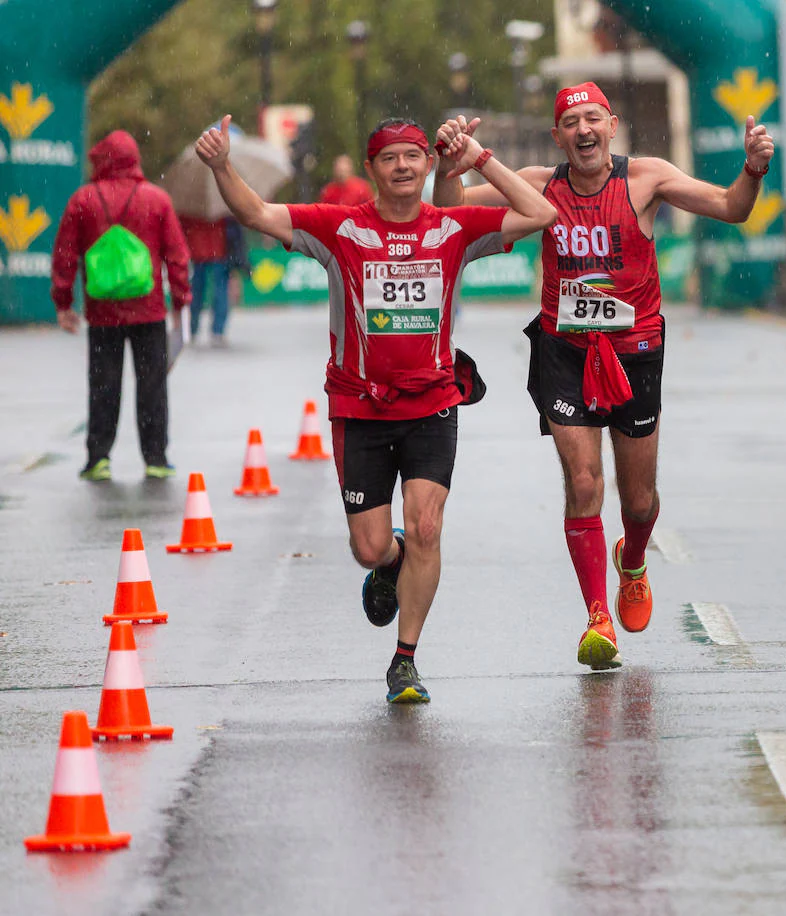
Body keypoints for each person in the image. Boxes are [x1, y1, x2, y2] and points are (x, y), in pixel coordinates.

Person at [196, 114, 557, 702]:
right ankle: (389, 564)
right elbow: (257, 214)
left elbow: (541, 214)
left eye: (414, 156)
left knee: (428, 527)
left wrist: (477, 157)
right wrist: (220, 166)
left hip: (434, 402)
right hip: (359, 408)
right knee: (369, 546)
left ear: (428, 164)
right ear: (371, 169)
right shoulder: (340, 229)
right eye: (390, 158)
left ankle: (405, 660)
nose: (403, 167)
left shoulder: (452, 229)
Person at [433, 82, 774, 671]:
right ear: (558, 136)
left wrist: (752, 168)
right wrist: (447, 163)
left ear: (612, 126)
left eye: (593, 119)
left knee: (639, 502)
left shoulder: (646, 178)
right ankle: (598, 616)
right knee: (585, 483)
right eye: (571, 122)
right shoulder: (539, 184)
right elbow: (448, 209)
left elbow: (732, 208)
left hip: (635, 350)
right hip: (564, 351)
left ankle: (634, 560)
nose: (584, 131)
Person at [51, 129, 190, 481]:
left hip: (102, 312)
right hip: (150, 308)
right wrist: (181, 299)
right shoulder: (156, 199)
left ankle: (98, 457)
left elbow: (65, 255)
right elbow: (177, 254)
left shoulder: (83, 199)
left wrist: (63, 302)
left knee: (103, 384)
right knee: (152, 385)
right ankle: (156, 457)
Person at [180, 215, 230, 345]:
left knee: (196, 291)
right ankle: (218, 330)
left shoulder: (191, 205)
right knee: (220, 290)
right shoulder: (221, 206)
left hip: (197, 249)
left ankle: (193, 328)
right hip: (219, 249)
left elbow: (183, 225)